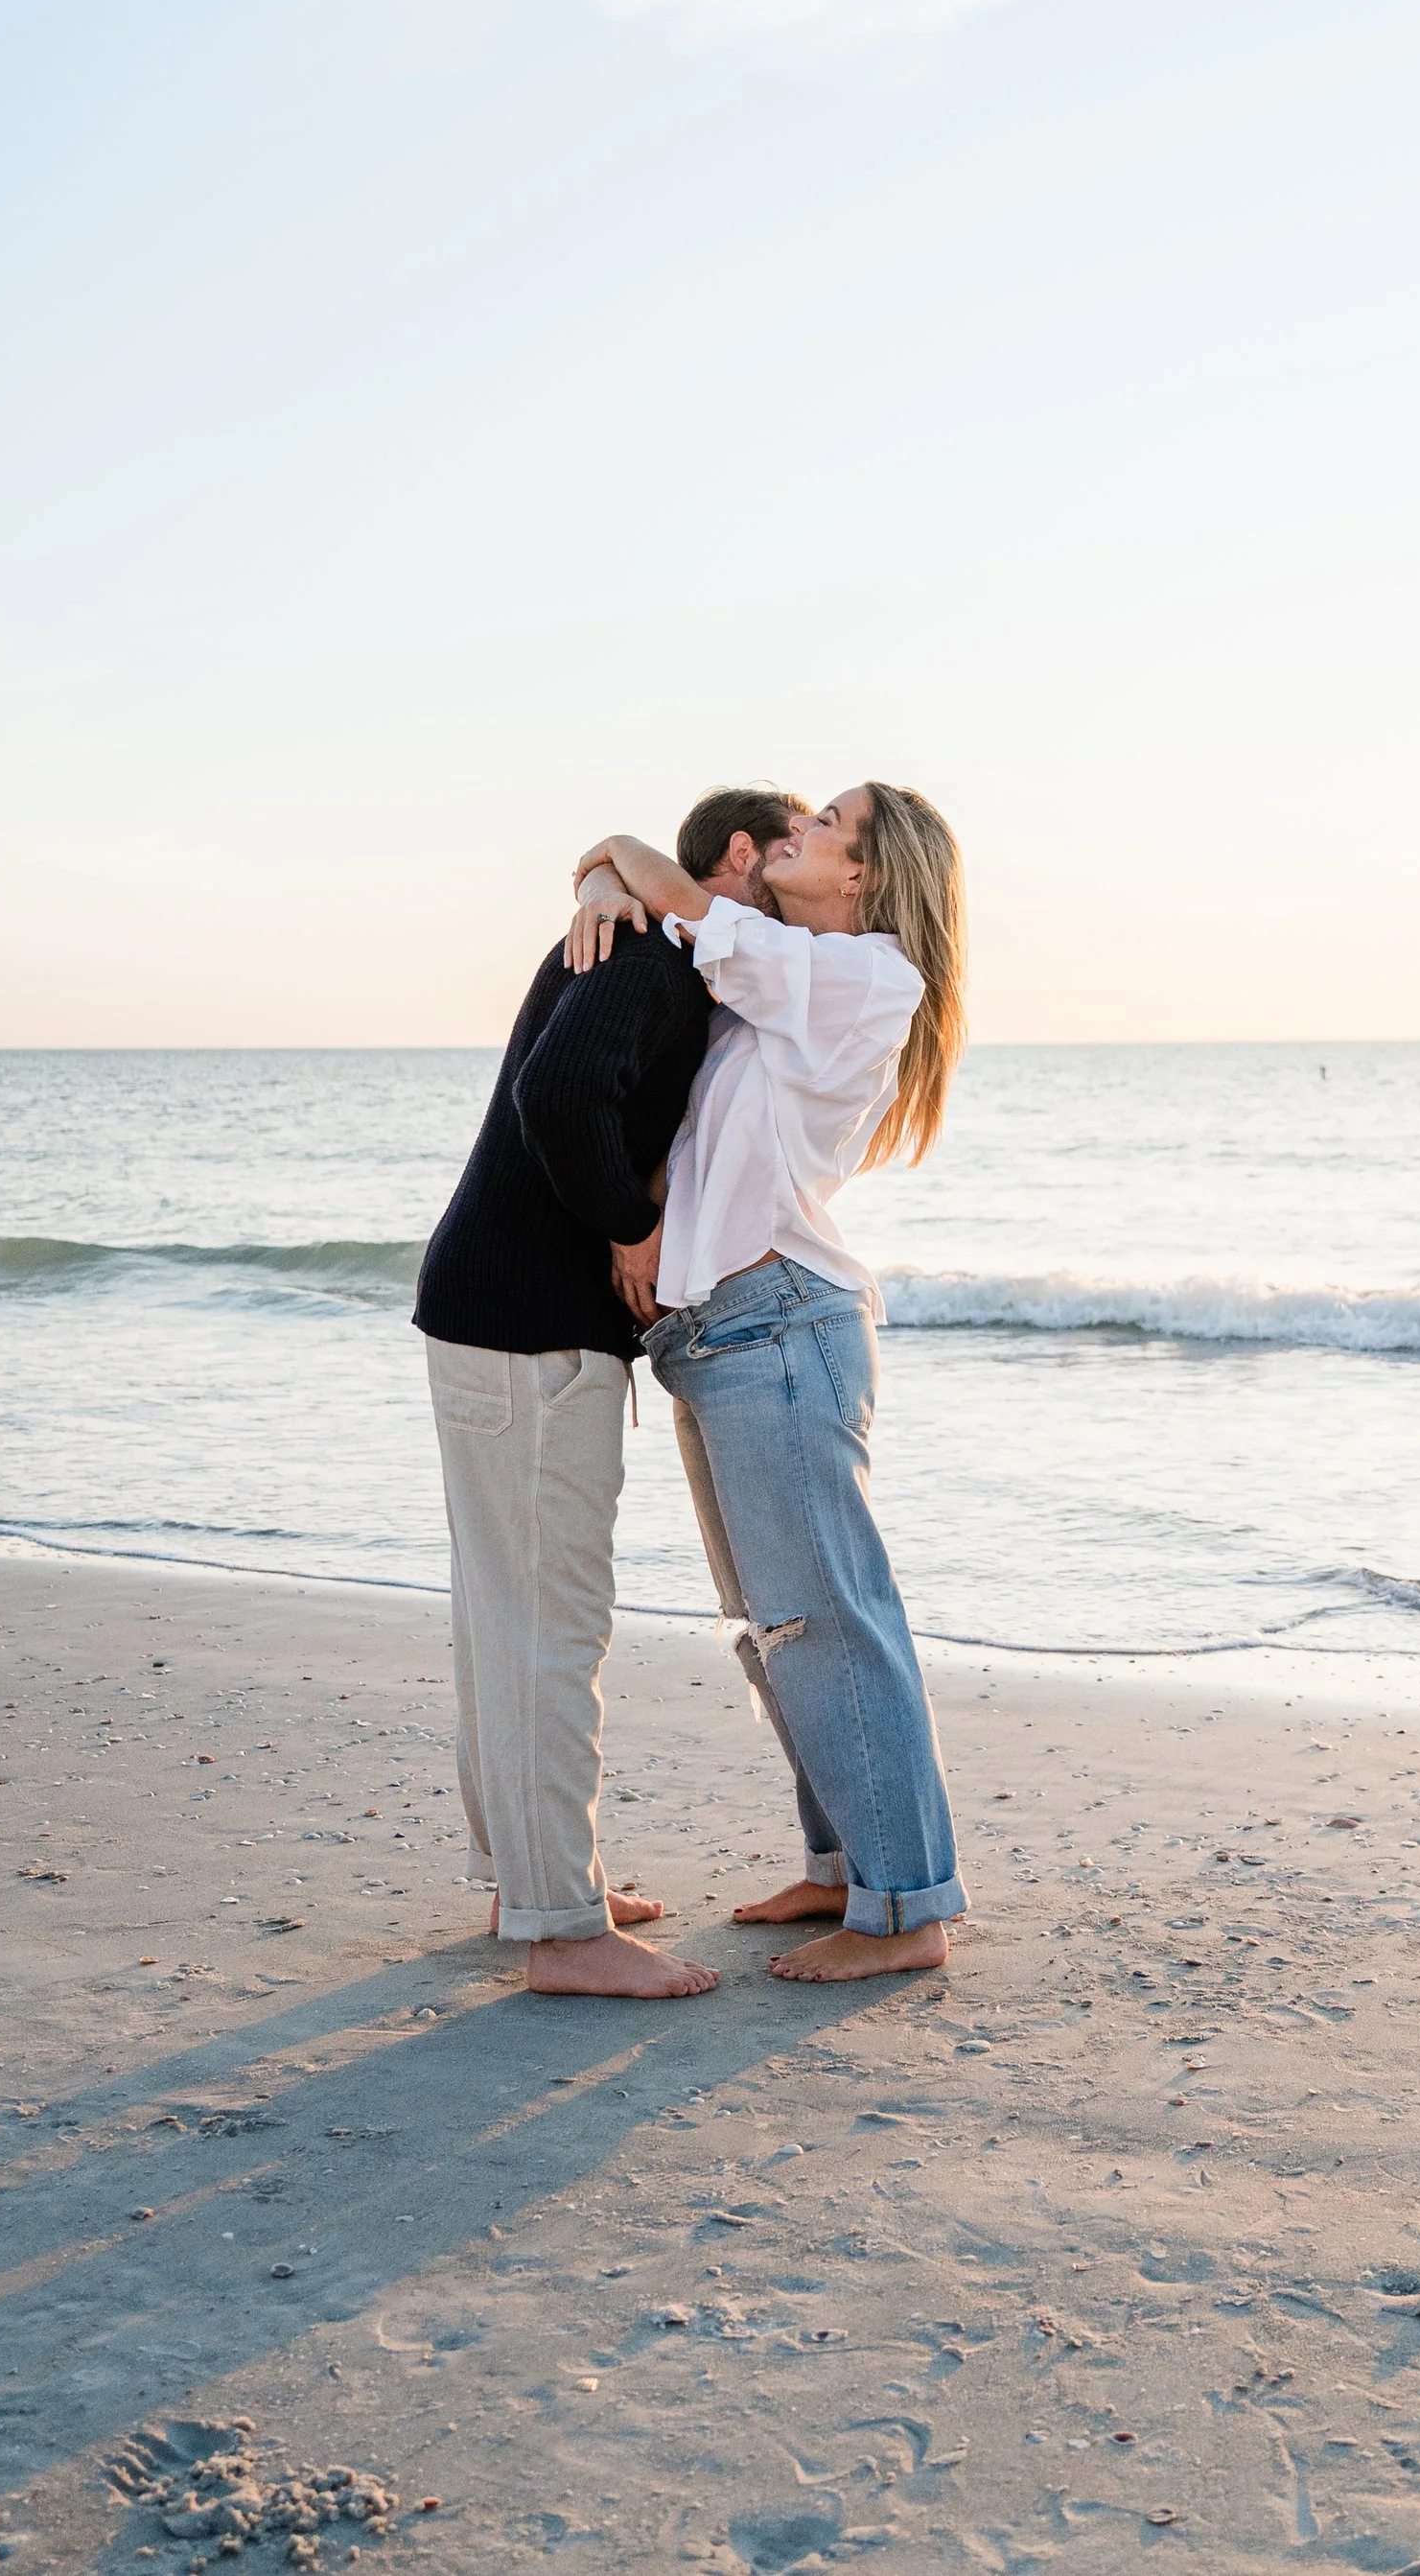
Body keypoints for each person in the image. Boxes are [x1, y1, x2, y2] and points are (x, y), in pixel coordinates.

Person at [567, 783, 967, 1982]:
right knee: (780, 1629)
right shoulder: (790, 970)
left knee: (830, 1620)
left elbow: (667, 886)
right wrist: (598, 883)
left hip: (780, 1327)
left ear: (867, 877)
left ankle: (904, 1913)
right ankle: (843, 1866)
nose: (800, 833)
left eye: (828, 827)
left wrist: (613, 864)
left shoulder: (871, 976)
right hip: (725, 1334)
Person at [413, 784, 805, 1999]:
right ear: (739, 855)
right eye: (792, 850)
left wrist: (603, 876)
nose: (804, 875)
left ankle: (527, 1881)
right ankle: (562, 1931)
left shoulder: (647, 938)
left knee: (507, 1612)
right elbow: (557, 1095)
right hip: (530, 1321)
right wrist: (635, 1229)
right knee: (549, 1623)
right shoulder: (651, 952)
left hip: (495, 1307)